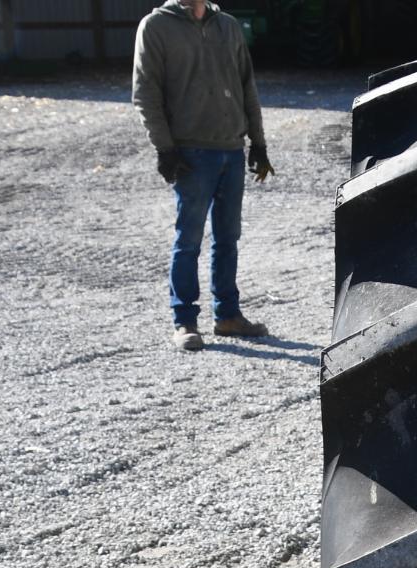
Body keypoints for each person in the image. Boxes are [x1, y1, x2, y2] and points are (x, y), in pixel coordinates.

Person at [131, 0, 275, 352]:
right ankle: (184, 321)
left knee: (228, 238)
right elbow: (145, 92)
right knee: (189, 240)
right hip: (192, 154)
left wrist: (258, 143)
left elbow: (247, 86)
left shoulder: (227, 25)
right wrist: (164, 148)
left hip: (231, 150)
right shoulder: (156, 27)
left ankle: (227, 316)